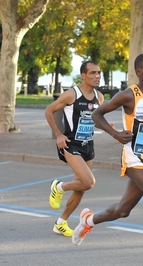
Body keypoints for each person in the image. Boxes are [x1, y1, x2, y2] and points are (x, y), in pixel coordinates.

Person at [71, 53, 143, 266]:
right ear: (139, 72)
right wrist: (115, 135)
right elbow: (96, 115)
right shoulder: (128, 95)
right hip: (133, 158)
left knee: (122, 211)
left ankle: (89, 220)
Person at [44, 61, 104, 237]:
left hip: (88, 145)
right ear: (83, 75)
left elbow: (95, 119)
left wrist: (108, 126)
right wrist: (59, 135)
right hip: (71, 144)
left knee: (82, 187)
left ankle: (61, 223)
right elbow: (49, 111)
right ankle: (59, 187)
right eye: (93, 73)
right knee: (89, 182)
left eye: (99, 73)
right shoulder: (72, 94)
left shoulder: (99, 97)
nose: (97, 76)